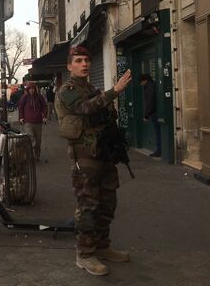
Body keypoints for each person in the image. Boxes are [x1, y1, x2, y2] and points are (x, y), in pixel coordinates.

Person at [55, 45, 132, 276]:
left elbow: (104, 114)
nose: (85, 64)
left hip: (103, 153)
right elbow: (84, 108)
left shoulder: (91, 87)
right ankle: (85, 254)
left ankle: (102, 245)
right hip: (84, 156)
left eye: (87, 60)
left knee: (108, 203)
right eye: (79, 60)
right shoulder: (67, 90)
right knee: (88, 205)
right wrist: (114, 91)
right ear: (70, 66)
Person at [18, 81, 48, 162]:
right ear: (27, 89)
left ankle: (37, 156)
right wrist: (21, 117)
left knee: (38, 141)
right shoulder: (24, 97)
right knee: (31, 138)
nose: (32, 90)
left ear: (35, 89)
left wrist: (45, 116)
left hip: (38, 122)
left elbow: (44, 107)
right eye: (30, 89)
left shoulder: (39, 97)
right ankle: (30, 155)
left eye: (33, 89)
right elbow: (20, 108)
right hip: (28, 122)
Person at [140, 74, 161, 157]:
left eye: (141, 82)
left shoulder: (149, 88)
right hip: (156, 112)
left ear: (145, 80)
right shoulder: (153, 85)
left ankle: (159, 150)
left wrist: (146, 115)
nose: (140, 84)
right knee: (158, 132)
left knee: (158, 132)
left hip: (154, 113)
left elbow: (149, 102)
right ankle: (159, 149)